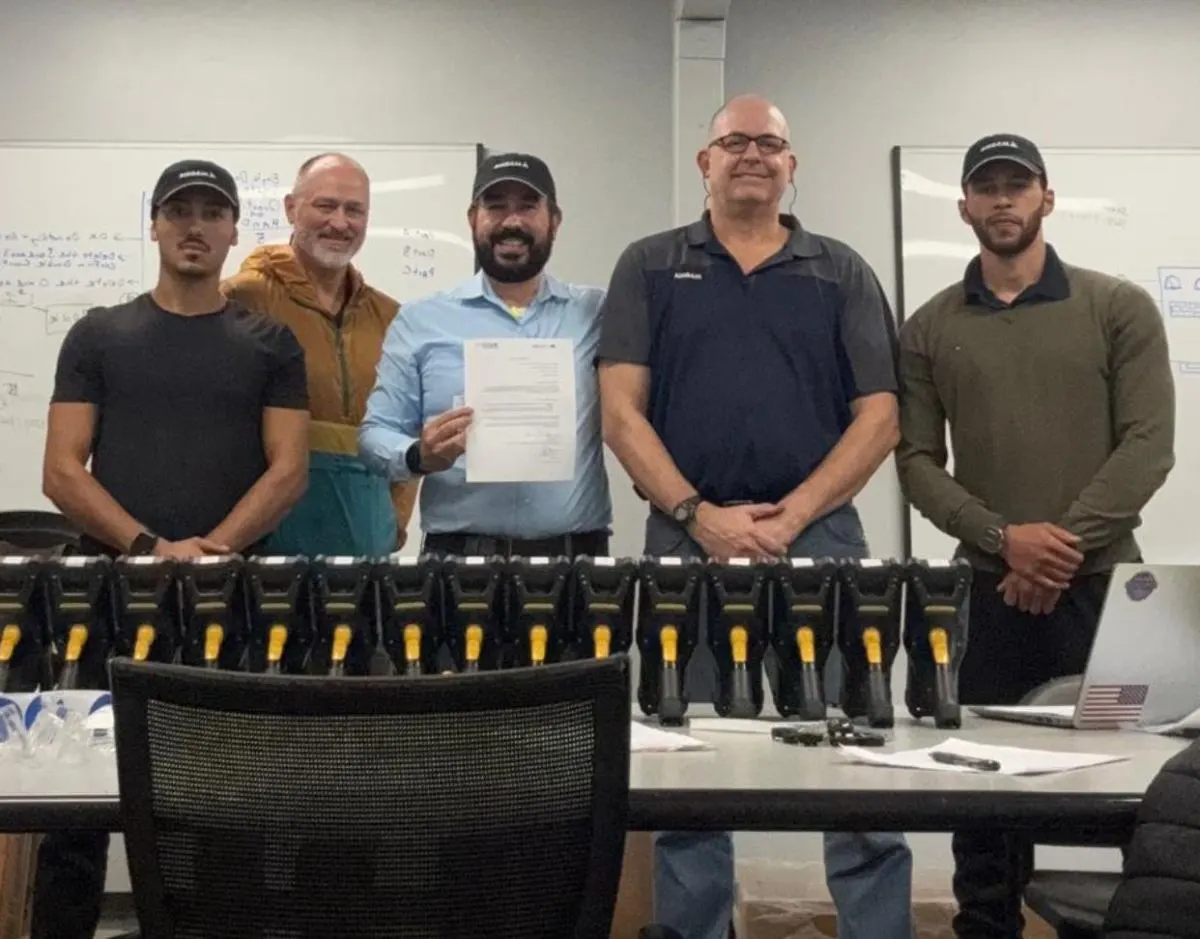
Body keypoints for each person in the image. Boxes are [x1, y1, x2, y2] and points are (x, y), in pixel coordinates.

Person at [597, 94, 913, 939]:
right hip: (684, 542)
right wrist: (701, 516)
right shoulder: (650, 264)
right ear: (705, 162)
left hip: (825, 544)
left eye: (768, 143)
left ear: (791, 165)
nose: (751, 155)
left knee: (859, 758)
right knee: (691, 764)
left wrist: (791, 517)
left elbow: (880, 415)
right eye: (732, 142)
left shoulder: (839, 269)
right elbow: (621, 414)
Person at [895, 134, 1175, 939]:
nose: (1004, 200)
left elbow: (1149, 444)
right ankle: (986, 927)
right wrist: (1000, 537)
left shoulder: (1116, 306)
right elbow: (915, 460)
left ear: (1047, 199)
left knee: (1135, 785)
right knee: (981, 792)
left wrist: (1056, 549)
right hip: (985, 591)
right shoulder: (929, 326)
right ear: (964, 208)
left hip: (1111, 595)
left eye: (1019, 186)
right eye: (987, 188)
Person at [33, 159, 310, 938]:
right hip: (107, 598)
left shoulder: (270, 343)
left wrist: (212, 550)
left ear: (232, 231)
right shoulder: (98, 334)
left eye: (211, 213)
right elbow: (60, 468)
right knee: (78, 810)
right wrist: (152, 548)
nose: (195, 226)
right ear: (153, 224)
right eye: (178, 211)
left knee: (220, 809)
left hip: (226, 602)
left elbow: (289, 470)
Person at [358, 152, 612, 560]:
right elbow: (374, 435)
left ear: (555, 221)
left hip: (574, 559)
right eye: (496, 207)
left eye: (528, 206)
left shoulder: (598, 315)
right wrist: (419, 455)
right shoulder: (420, 321)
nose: (512, 222)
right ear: (473, 218)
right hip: (458, 561)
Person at [222, 152, 418, 557]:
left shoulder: (390, 318)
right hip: (263, 550)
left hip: (368, 550)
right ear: (291, 209)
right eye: (325, 205)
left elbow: (406, 429)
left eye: (355, 210)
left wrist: (394, 522)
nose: (340, 223)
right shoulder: (240, 299)